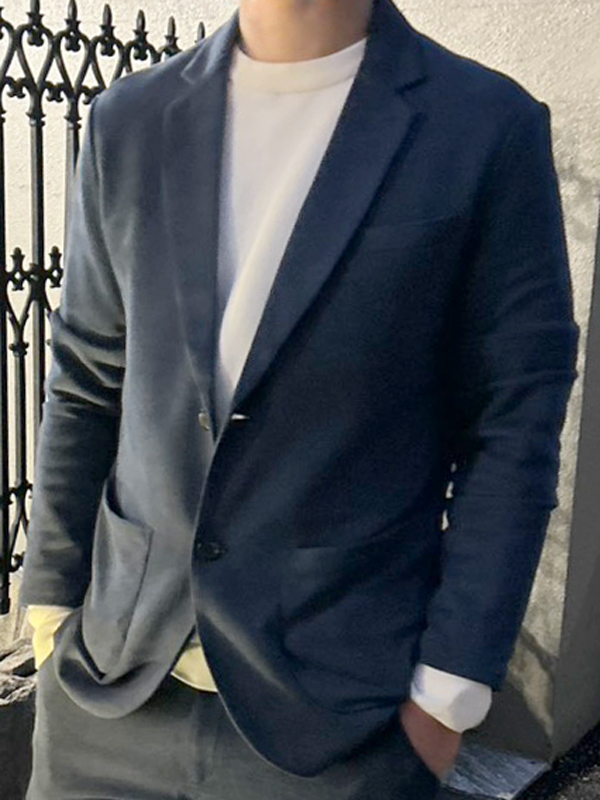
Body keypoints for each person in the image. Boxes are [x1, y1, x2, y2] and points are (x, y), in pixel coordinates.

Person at [20, 0, 579, 797]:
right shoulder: (130, 117)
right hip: (109, 695)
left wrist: (447, 696)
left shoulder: (484, 127)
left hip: (342, 723)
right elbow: (87, 377)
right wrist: (49, 605)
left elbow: (513, 428)